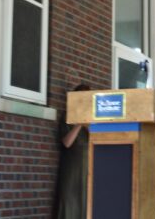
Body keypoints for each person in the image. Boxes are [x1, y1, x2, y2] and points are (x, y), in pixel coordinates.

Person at [55, 84, 90, 219]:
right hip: (71, 170)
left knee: (85, 204)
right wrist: (79, 124)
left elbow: (98, 140)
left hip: (87, 171)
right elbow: (67, 142)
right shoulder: (67, 116)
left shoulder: (92, 119)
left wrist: (87, 125)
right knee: (68, 203)